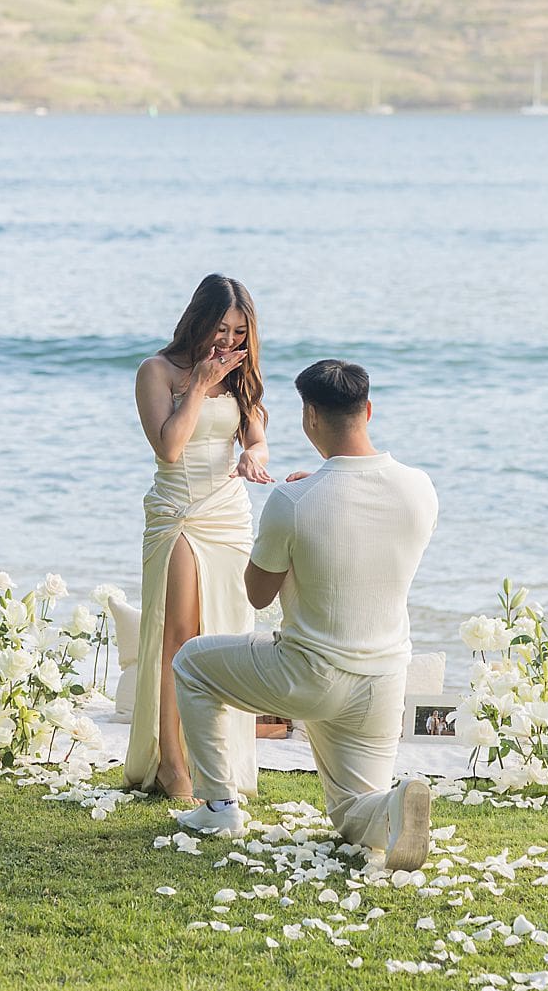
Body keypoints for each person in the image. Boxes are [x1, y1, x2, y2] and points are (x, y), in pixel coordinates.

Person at [173, 358, 438, 869]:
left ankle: (219, 806)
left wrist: (290, 514)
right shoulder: (419, 488)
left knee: (191, 663)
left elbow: (256, 595)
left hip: (307, 676)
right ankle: (396, 803)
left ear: (309, 417)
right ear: (368, 409)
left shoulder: (293, 499)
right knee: (351, 814)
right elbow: (362, 531)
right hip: (383, 681)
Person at [123, 274, 272, 800]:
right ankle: (172, 763)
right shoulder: (156, 372)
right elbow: (169, 447)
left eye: (238, 332)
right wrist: (202, 386)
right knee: (179, 635)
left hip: (229, 512)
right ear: (198, 320)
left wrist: (255, 454)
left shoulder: (241, 373)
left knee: (225, 634)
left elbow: (255, 435)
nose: (229, 341)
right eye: (221, 328)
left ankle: (218, 758)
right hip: (179, 512)